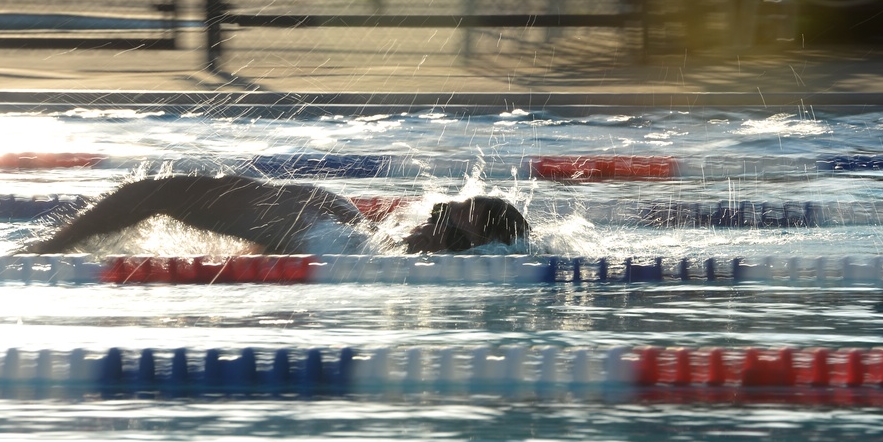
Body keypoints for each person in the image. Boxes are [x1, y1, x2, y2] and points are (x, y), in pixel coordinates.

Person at [26, 174, 529, 255]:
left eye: (464, 212)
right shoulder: (373, 240)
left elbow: (151, 195)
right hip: (329, 224)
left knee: (153, 194)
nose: (443, 206)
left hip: (317, 231)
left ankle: (49, 247)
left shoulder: (347, 246)